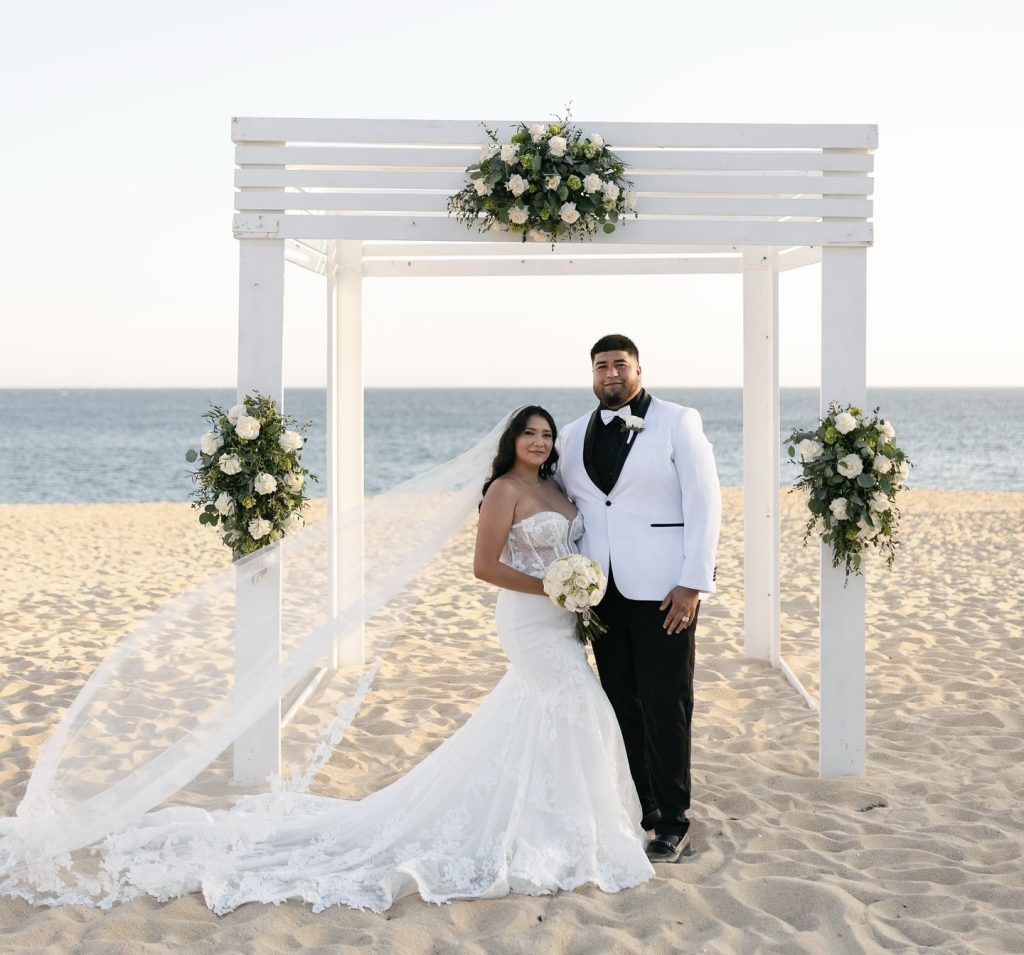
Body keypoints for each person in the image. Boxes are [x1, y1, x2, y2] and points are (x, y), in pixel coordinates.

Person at [14, 406, 652, 913]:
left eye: (546, 434)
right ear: (512, 441)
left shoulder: (557, 486)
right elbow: (485, 566)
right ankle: (556, 830)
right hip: (528, 617)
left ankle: (553, 823)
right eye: (530, 434)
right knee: (572, 704)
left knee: (541, 714)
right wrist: (549, 587)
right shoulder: (504, 490)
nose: (539, 442)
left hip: (565, 621)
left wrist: (577, 590)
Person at [557, 335, 722, 863]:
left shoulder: (678, 421)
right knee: (620, 701)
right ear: (592, 374)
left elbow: (704, 501)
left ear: (638, 370)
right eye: (601, 365)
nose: (610, 373)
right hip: (600, 594)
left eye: (619, 365)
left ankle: (674, 819)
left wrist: (692, 582)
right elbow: (568, 503)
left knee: (667, 702)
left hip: (665, 592)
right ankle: (643, 806)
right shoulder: (571, 434)